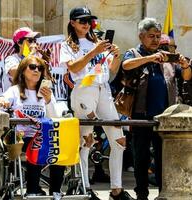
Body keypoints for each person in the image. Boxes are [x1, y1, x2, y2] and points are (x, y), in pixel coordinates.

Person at [60, 6, 134, 200]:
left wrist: (116, 56)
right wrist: (94, 51)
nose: (86, 25)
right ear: (72, 23)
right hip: (84, 89)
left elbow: (109, 71)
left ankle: (116, 190)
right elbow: (73, 68)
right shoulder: (67, 45)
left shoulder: (97, 42)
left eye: (89, 21)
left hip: (103, 89)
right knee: (86, 142)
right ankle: (84, 188)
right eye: (82, 21)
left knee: (119, 140)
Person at [122, 18, 191, 200]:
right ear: (141, 36)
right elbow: (125, 66)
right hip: (141, 116)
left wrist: (185, 65)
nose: (155, 40)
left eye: (157, 36)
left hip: (165, 118)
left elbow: (186, 76)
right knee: (141, 159)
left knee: (164, 160)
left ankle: (164, 193)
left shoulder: (166, 56)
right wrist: (150, 58)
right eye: (151, 36)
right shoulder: (134, 53)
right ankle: (142, 194)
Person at [0, 55, 65, 199]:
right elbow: (1, 101)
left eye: (40, 68)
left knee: (58, 149)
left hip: (41, 136)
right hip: (20, 137)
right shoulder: (14, 90)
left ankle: (55, 192)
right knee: (36, 145)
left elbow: (55, 118)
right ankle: (33, 189)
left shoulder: (46, 93)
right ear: (22, 71)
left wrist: (48, 101)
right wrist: (2, 101)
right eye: (32, 67)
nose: (37, 70)